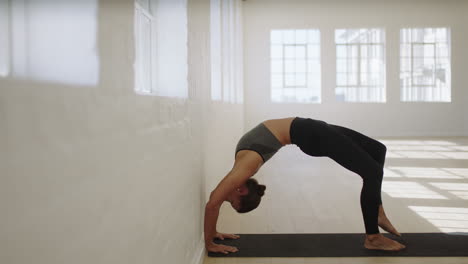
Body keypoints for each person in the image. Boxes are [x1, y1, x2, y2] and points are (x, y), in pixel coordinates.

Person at [204, 117, 406, 254]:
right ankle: (373, 237)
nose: (225, 198)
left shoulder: (242, 168)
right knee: (372, 172)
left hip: (309, 129)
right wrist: (211, 238)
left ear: (241, 190)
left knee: (378, 149)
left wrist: (210, 240)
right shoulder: (244, 167)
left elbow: (212, 202)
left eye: (231, 202)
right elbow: (214, 201)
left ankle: (376, 210)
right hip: (309, 134)